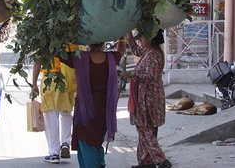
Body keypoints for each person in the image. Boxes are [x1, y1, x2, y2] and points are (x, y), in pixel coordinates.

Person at [59, 43, 121, 168]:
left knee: (88, 144)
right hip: (103, 111)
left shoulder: (79, 58)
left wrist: (62, 37)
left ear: (89, 43)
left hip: (84, 112)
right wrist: (124, 37)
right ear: (103, 43)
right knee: (96, 142)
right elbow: (121, 50)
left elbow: (58, 53)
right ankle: (99, 163)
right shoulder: (111, 57)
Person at [121, 30, 172, 168]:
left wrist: (131, 75)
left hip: (149, 99)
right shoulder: (147, 52)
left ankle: (161, 160)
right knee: (146, 129)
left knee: (145, 130)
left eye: (142, 37)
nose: (140, 41)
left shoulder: (154, 55)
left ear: (150, 38)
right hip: (147, 97)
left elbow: (149, 75)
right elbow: (136, 50)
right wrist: (129, 36)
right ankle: (145, 161)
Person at [32, 55, 77, 164]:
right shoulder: (74, 40)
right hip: (69, 80)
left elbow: (38, 61)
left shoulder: (45, 40)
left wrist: (34, 84)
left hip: (51, 80)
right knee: (66, 112)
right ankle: (65, 143)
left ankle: (54, 153)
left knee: (51, 116)